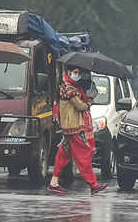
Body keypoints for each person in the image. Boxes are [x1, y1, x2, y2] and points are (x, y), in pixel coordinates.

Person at [48, 68, 107, 196]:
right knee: (83, 154)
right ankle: (93, 184)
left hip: (69, 126)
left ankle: (54, 182)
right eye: (75, 72)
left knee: (63, 154)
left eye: (79, 73)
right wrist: (89, 101)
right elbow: (80, 106)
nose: (77, 75)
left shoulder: (71, 87)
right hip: (73, 126)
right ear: (69, 73)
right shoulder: (69, 89)